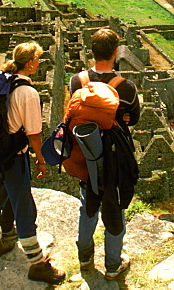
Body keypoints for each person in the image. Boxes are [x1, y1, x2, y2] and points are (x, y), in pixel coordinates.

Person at [0, 41, 64, 284]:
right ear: (30, 64)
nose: (39, 63)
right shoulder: (27, 93)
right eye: (37, 59)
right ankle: (37, 263)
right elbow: (34, 133)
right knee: (24, 208)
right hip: (13, 157)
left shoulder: (2, 82)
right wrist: (40, 159)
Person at [68, 28, 140, 281]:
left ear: (92, 50)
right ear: (115, 52)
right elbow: (133, 119)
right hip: (115, 158)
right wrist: (122, 117)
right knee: (115, 207)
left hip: (86, 154)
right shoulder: (126, 88)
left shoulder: (77, 82)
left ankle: (85, 257)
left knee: (87, 205)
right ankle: (112, 265)